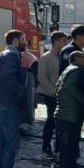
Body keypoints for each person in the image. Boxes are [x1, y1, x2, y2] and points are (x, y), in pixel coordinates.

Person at [0, 29, 27, 168]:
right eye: (23, 39)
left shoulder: (5, 54)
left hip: (3, 104)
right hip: (9, 105)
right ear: (15, 41)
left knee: (4, 143)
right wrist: (21, 91)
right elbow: (9, 77)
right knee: (11, 145)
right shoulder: (12, 55)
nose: (25, 42)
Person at [55, 51, 84, 168]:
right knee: (69, 153)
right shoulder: (77, 70)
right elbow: (71, 87)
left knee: (67, 153)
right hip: (70, 117)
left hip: (65, 116)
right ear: (77, 59)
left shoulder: (67, 70)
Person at [37, 31, 68, 159]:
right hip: (51, 95)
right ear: (56, 42)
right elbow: (41, 76)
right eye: (63, 41)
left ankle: (58, 148)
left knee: (61, 123)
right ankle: (46, 148)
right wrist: (53, 91)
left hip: (63, 96)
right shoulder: (46, 57)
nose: (65, 44)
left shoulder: (64, 56)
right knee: (50, 122)